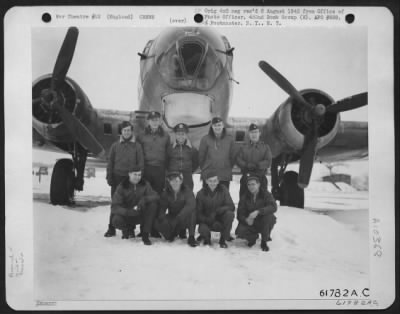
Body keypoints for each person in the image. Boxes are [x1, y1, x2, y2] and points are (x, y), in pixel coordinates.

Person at [104, 121, 144, 237]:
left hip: (131, 179)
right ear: (121, 132)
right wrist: (109, 176)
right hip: (117, 178)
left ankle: (129, 229)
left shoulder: (137, 146)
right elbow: (110, 162)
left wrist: (139, 178)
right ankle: (111, 228)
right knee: (115, 203)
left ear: (132, 131)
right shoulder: (115, 146)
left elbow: (141, 163)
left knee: (131, 203)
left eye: (129, 130)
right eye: (124, 130)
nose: (127, 132)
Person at [137, 111, 170, 237]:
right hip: (146, 170)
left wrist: (166, 172)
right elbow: (138, 154)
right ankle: (143, 228)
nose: (155, 122)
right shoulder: (141, 136)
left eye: (157, 120)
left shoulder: (166, 136)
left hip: (159, 171)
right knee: (144, 199)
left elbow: (168, 156)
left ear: (160, 121)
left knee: (158, 199)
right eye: (152, 120)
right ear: (148, 121)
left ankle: (154, 228)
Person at [110, 166, 159, 245]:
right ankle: (127, 231)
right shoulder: (122, 186)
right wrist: (127, 212)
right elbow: (114, 207)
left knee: (153, 205)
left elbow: (156, 196)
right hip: (127, 215)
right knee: (116, 220)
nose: (137, 177)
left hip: (140, 213)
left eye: (139, 175)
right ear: (129, 174)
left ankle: (145, 234)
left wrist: (145, 199)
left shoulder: (145, 184)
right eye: (135, 174)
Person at [235, 174, 277, 252]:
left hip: (263, 220)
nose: (251, 186)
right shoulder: (244, 197)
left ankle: (264, 240)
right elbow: (240, 214)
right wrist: (246, 220)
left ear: (258, 184)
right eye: (249, 185)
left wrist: (258, 211)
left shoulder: (266, 194)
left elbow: (273, 207)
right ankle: (253, 237)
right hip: (251, 222)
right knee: (239, 232)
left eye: (253, 184)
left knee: (269, 217)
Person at [154, 171, 198, 247]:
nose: (174, 183)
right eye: (172, 181)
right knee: (158, 221)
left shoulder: (187, 191)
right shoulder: (166, 193)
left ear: (181, 181)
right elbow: (162, 208)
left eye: (176, 181)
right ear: (169, 182)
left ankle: (191, 237)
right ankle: (171, 233)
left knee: (192, 213)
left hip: (184, 217)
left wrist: (179, 218)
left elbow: (191, 205)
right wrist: (162, 219)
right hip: (173, 216)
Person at [196, 170, 235, 248]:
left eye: (215, 181)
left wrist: (218, 211)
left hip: (220, 220)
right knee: (203, 229)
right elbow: (198, 212)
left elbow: (231, 206)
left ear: (218, 181)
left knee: (230, 214)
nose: (212, 183)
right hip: (207, 220)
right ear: (206, 181)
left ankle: (223, 240)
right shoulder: (201, 193)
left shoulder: (223, 190)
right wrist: (206, 219)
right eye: (210, 181)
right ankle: (206, 239)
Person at [198, 117, 236, 190]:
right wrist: (206, 168)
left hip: (224, 176)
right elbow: (201, 157)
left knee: (223, 199)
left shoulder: (230, 139)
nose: (217, 127)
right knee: (207, 199)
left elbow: (233, 157)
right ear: (212, 126)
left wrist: (226, 166)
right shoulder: (205, 139)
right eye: (215, 125)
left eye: (219, 125)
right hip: (208, 176)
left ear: (223, 126)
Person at [236, 123, 272, 198]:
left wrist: (258, 165)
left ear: (259, 133)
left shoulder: (265, 147)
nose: (254, 134)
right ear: (249, 134)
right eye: (252, 132)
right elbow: (238, 160)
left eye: (256, 132)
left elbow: (268, 161)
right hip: (246, 177)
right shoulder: (243, 147)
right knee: (244, 201)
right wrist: (246, 165)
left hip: (261, 178)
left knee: (261, 201)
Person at [166, 123, 199, 190]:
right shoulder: (170, 148)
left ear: (186, 135)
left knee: (187, 196)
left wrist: (188, 171)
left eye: (183, 134)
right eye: (178, 134)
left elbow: (196, 163)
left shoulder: (192, 149)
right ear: (175, 135)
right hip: (173, 177)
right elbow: (166, 162)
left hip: (187, 178)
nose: (180, 136)